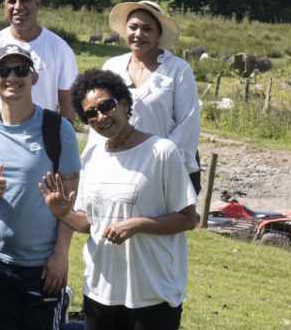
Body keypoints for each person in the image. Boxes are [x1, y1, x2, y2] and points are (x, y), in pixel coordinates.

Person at [41, 70, 198, 330]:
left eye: (107, 106)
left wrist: (137, 225)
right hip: (101, 289)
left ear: (124, 103)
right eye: (91, 113)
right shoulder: (92, 157)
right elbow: (88, 224)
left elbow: (187, 218)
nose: (101, 116)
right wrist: (61, 211)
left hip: (152, 291)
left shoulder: (161, 152)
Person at [0, 44, 80, 330]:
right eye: (3, 70)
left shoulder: (58, 128)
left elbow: (71, 199)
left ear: (34, 78)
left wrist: (60, 255)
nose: (12, 77)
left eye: (21, 70)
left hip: (41, 267)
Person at [98, 1, 202, 192]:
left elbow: (188, 124)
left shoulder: (178, 70)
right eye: (133, 27)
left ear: (158, 34)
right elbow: (99, 118)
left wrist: (161, 163)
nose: (138, 34)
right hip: (119, 165)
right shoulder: (111, 67)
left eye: (147, 29)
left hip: (163, 170)